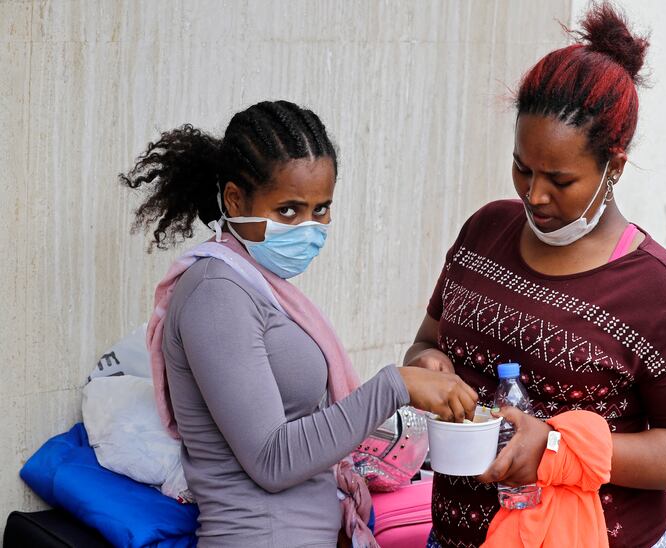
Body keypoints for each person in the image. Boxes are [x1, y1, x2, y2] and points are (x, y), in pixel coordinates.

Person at [403, 4, 666, 547]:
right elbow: (428, 343)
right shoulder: (485, 231)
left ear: (614, 166)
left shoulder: (660, 292)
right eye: (522, 168)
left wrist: (555, 446)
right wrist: (428, 366)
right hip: (454, 535)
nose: (534, 194)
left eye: (560, 178)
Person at [122, 99, 478, 547]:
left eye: (321, 209)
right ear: (235, 199)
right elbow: (272, 459)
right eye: (288, 210)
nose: (308, 227)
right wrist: (395, 387)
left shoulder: (257, 283)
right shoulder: (216, 293)